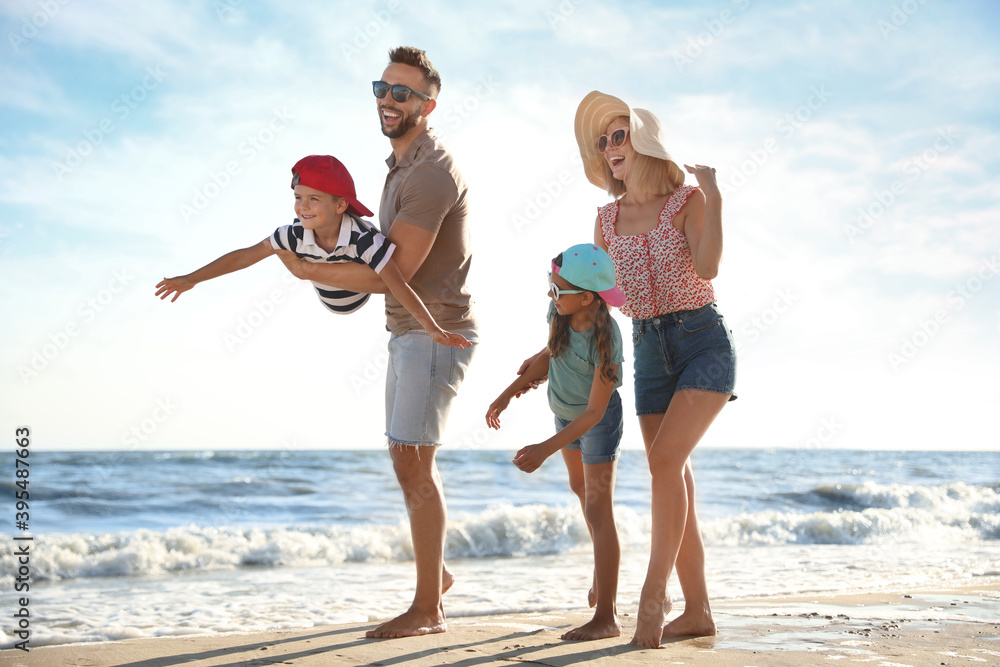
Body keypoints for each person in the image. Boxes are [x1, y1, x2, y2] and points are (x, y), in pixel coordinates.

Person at [274, 46, 477, 639]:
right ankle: (435, 580)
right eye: (382, 89)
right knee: (405, 457)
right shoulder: (398, 167)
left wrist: (312, 272)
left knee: (416, 461)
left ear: (428, 104)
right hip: (405, 332)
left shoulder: (431, 172)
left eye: (402, 93)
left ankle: (428, 611)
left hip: (435, 328)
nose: (388, 100)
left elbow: (401, 270)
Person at [574, 90, 737, 649]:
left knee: (665, 462)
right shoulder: (605, 219)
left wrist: (714, 197)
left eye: (619, 135)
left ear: (643, 141)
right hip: (647, 348)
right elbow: (605, 298)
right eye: (604, 140)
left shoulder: (688, 200)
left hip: (701, 340)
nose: (609, 147)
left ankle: (653, 594)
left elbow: (709, 266)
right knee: (675, 476)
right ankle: (698, 612)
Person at [154, 155, 470, 349]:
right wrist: (190, 279)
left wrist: (433, 329)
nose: (303, 206)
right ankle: (293, 255)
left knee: (386, 263)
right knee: (279, 243)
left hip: (357, 290)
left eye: (314, 199)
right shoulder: (293, 233)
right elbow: (243, 256)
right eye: (298, 197)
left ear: (340, 204)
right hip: (323, 284)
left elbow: (397, 285)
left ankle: (309, 259)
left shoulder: (362, 239)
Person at [487, 243, 626, 641]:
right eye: (551, 286)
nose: (551, 295)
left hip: (595, 421)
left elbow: (595, 413)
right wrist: (510, 391)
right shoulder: (560, 313)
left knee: (599, 510)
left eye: (557, 290)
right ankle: (604, 574)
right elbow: (552, 352)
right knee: (580, 490)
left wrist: (545, 449)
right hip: (565, 413)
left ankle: (607, 616)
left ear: (586, 297)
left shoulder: (608, 339)